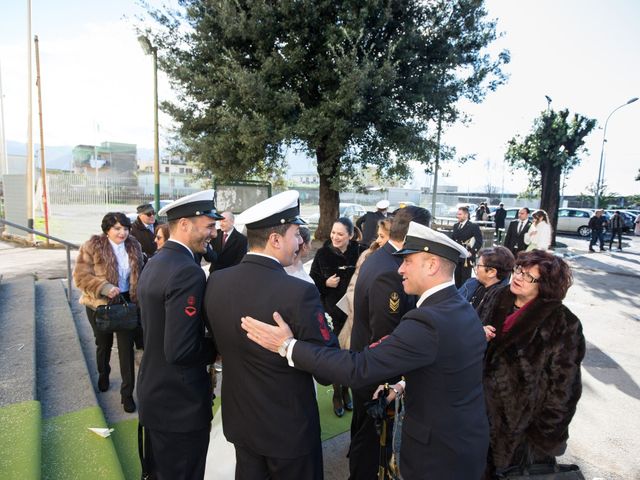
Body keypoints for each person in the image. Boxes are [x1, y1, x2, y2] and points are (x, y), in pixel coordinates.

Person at [241, 222, 490, 480]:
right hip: (464, 442)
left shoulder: (427, 321)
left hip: (438, 455)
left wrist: (287, 345)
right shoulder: (459, 306)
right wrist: (402, 385)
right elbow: (447, 366)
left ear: (431, 265)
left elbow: (358, 368)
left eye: (408, 262)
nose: (400, 269)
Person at [205, 190, 338, 480]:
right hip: (288, 431)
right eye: (295, 234)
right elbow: (328, 369)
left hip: (241, 423)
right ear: (275, 239)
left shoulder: (216, 282)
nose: (301, 241)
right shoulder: (299, 292)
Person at [136, 190, 222, 480]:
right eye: (209, 226)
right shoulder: (187, 271)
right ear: (184, 224)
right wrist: (217, 349)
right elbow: (180, 350)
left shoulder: (157, 261)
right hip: (179, 403)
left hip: (157, 394)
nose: (213, 233)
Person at [479, 250, 585, 478]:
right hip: (476, 415)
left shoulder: (564, 323)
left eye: (528, 276)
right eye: (519, 270)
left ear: (545, 285)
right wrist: (476, 335)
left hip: (520, 433)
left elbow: (564, 389)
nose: (518, 277)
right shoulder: (497, 296)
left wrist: (543, 438)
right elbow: (470, 333)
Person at [347, 207, 430, 480]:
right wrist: (393, 380)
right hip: (377, 371)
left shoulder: (383, 256)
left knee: (364, 430)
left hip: (366, 362)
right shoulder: (391, 271)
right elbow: (386, 335)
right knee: (371, 440)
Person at [73, 212, 143, 413]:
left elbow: (142, 272)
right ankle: (103, 373)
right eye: (117, 228)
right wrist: (104, 287)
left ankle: (127, 394)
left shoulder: (134, 246)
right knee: (103, 344)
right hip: (99, 304)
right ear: (107, 230)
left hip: (126, 304)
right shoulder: (92, 246)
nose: (122, 233)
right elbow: (80, 276)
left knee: (126, 350)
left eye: (125, 228)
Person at [310, 217, 365, 417]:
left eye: (340, 234)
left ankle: (346, 389)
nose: (335, 237)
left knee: (351, 353)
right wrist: (325, 283)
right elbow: (312, 282)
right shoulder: (323, 254)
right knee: (335, 354)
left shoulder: (361, 252)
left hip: (355, 313)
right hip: (332, 313)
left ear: (351, 235)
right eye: (333, 233)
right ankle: (337, 393)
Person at [338, 217, 392, 350]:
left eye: (382, 236)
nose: (378, 240)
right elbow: (352, 288)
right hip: (359, 323)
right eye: (378, 235)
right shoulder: (368, 255)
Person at [458, 245, 515, 313]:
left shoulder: (501, 301)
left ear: (492, 272)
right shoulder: (471, 283)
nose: (476, 268)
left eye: (479, 265)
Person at [451, 206, 483, 288]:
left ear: (466, 215)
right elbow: (453, 240)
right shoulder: (456, 226)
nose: (457, 216)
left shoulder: (473, 226)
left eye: (460, 214)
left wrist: (471, 252)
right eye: (457, 214)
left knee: (465, 280)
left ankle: (464, 297)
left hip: (467, 257)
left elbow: (479, 241)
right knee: (457, 279)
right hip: (457, 256)